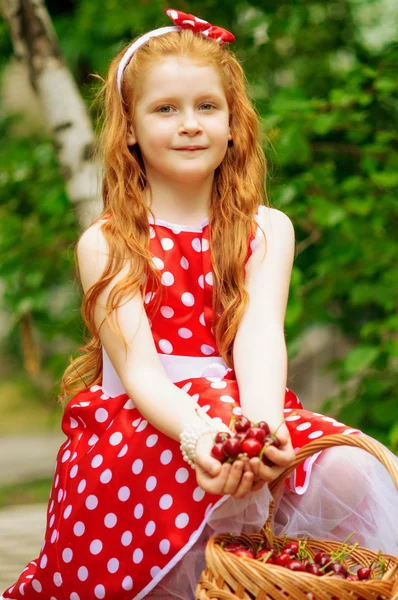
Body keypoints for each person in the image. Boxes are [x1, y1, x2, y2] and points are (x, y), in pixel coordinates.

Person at [2, 8, 397, 600]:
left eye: (207, 107)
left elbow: (260, 337)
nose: (190, 124)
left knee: (345, 465)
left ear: (234, 123)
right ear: (129, 128)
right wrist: (196, 436)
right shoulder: (108, 242)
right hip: (144, 426)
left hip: (242, 408)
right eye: (165, 109)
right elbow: (138, 371)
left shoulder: (266, 230)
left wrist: (261, 428)